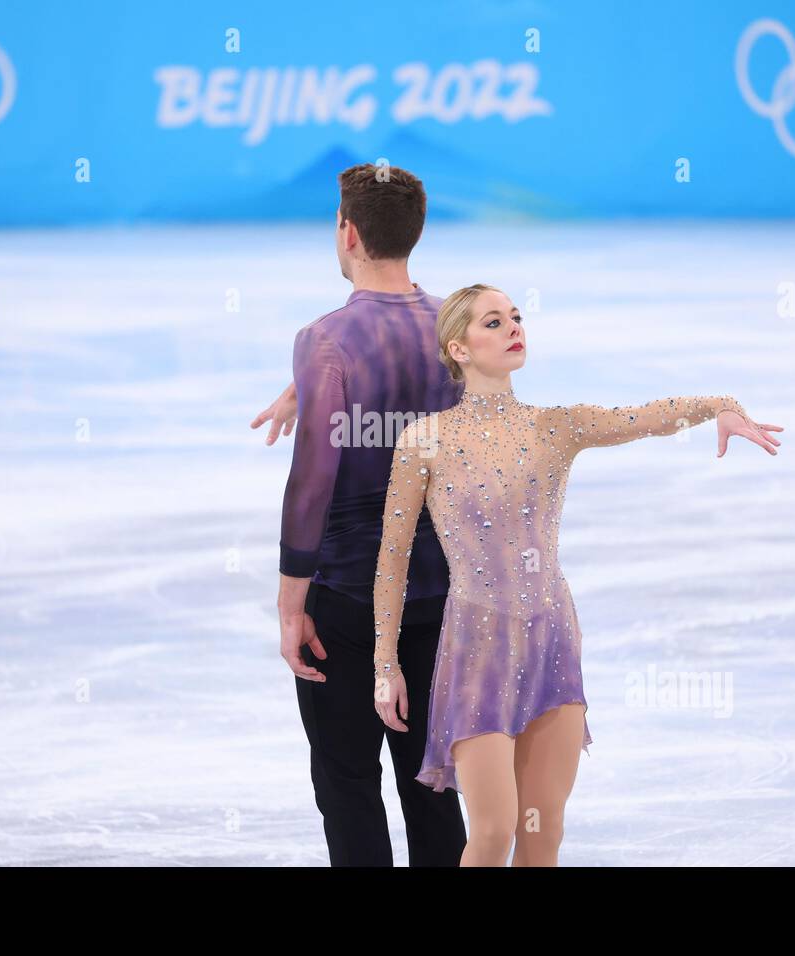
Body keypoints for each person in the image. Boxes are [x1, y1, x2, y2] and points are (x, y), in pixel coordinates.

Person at [371, 283, 783, 866]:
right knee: (492, 832)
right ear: (458, 348)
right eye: (493, 322)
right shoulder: (425, 441)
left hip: (551, 639)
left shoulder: (555, 427)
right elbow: (393, 558)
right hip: (477, 648)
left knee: (543, 833)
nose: (514, 326)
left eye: (515, 316)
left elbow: (643, 416)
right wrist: (385, 662)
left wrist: (720, 405)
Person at [252, 163, 468, 866]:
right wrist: (306, 388)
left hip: (345, 599)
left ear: (347, 233)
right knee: (433, 785)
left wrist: (290, 604)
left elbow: (312, 482)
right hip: (439, 594)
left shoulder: (326, 341)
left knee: (347, 784)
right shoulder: (458, 329)